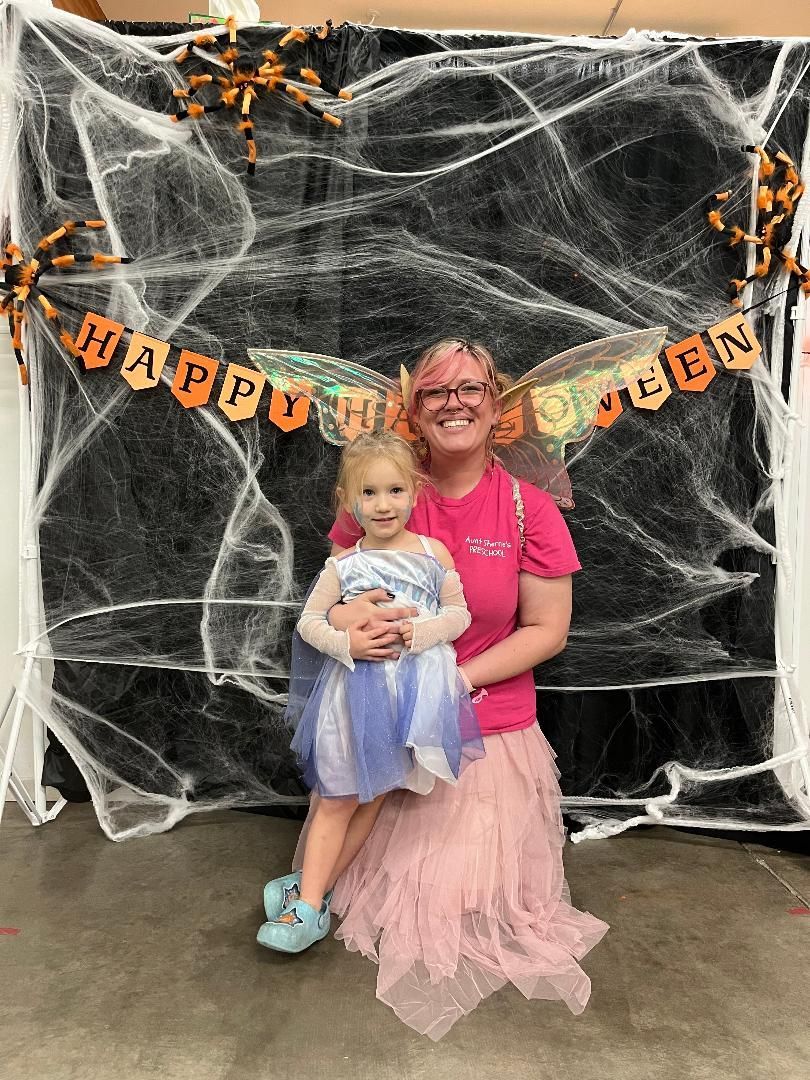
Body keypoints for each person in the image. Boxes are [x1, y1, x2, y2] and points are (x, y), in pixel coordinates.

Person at [257, 430, 484, 955]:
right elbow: (309, 623)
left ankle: (309, 895)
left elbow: (459, 614)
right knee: (337, 796)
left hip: (411, 697)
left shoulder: (434, 554)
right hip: (353, 694)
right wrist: (349, 644)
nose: (383, 505)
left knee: (374, 796)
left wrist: (423, 632)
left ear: (414, 491)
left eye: (394, 491)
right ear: (348, 501)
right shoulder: (344, 566)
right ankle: (308, 906)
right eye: (369, 493)